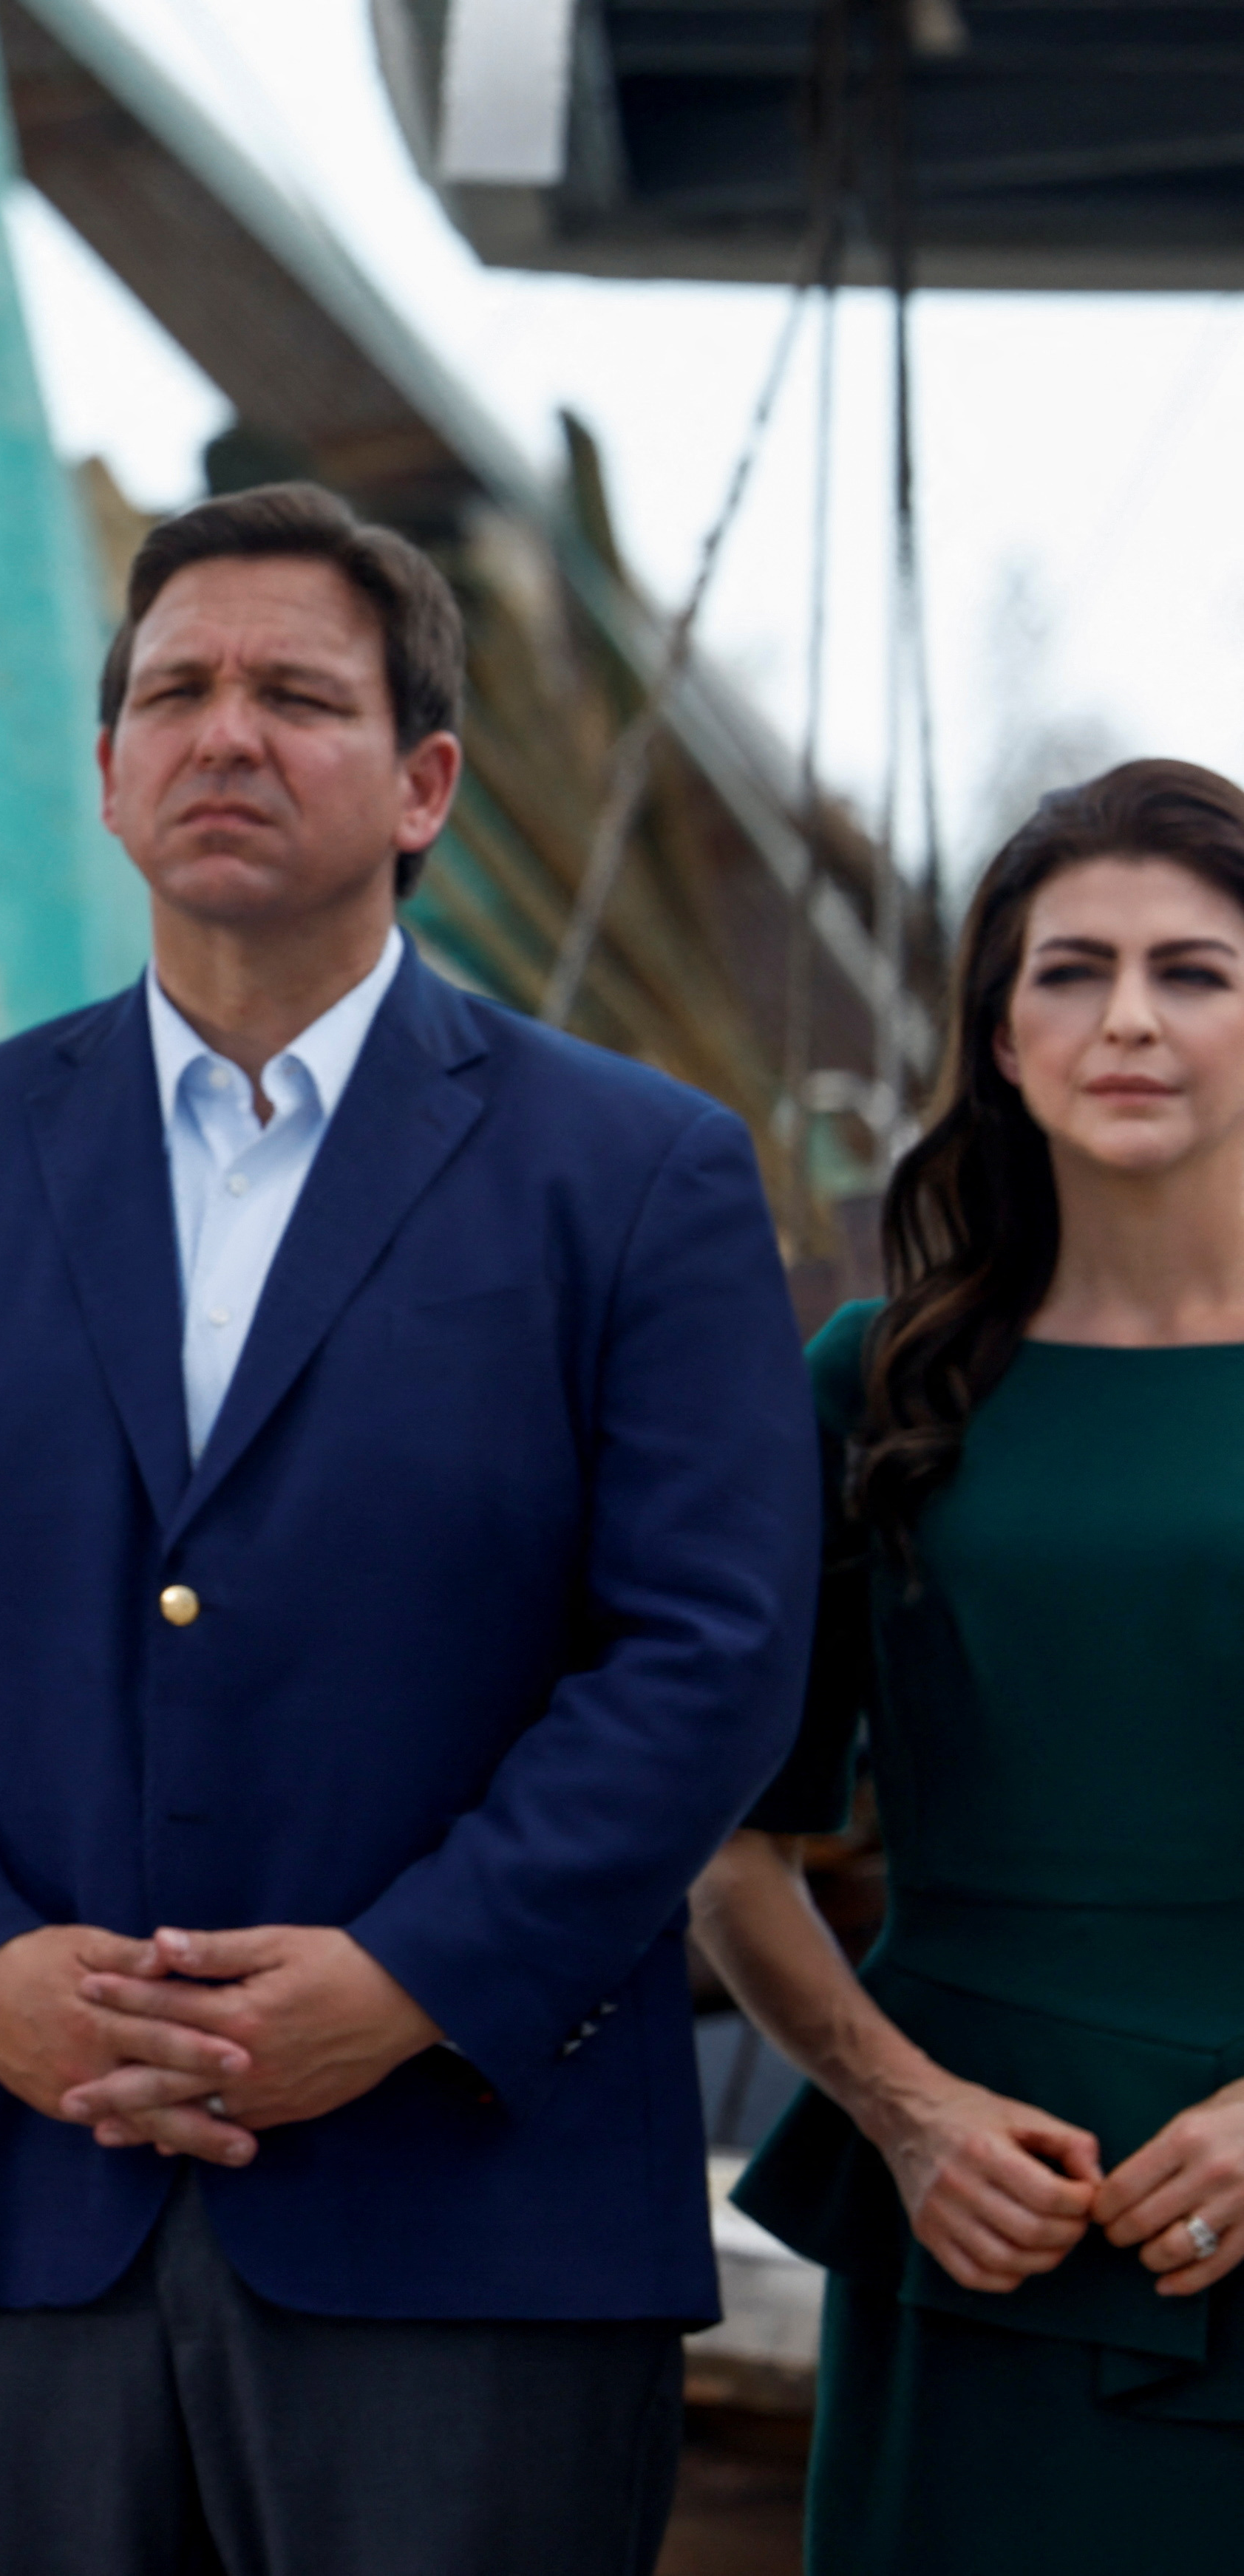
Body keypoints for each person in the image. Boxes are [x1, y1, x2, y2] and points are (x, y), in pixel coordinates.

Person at [0, 480, 820, 2575]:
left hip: (464, 2201)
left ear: (420, 781)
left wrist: (408, 1975)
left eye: (293, 694)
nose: (224, 731)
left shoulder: (635, 1173)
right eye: (174, 691)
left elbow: (704, 1652)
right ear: (110, 769)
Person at [693, 760, 1244, 2567]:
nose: (1130, 1022)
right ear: (998, 1038)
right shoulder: (874, 1385)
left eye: (1194, 972)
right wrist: (901, 2116)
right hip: (976, 2218)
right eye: (1069, 971)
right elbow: (727, 1842)